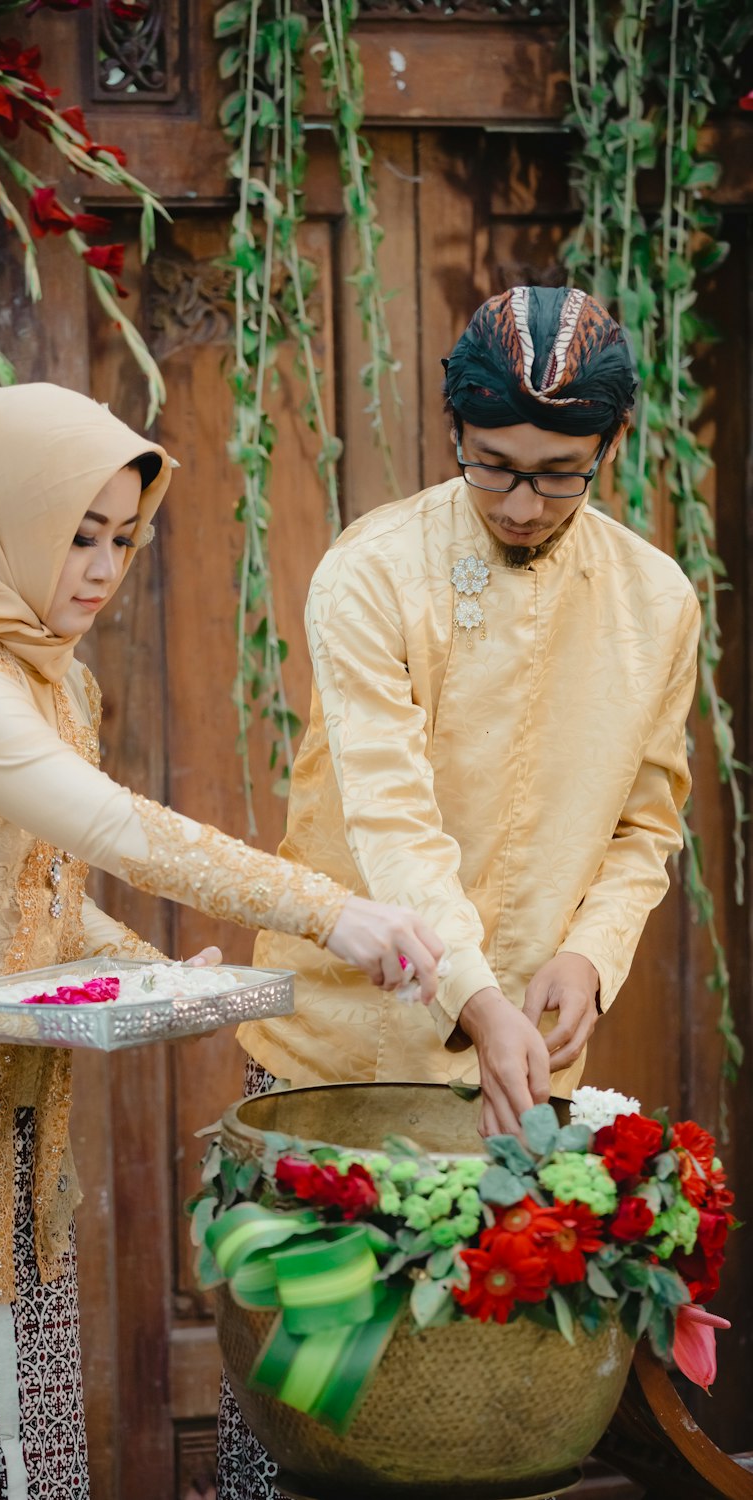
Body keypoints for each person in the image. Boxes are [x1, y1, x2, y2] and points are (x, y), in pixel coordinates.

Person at [0, 386, 444, 1500]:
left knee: (35, 1458)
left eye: (122, 537)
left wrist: (155, 971)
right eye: (75, 534)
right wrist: (332, 911)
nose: (101, 566)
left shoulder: (53, 680)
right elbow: (114, 828)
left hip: (13, 1134)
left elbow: (45, 887)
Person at [218, 285, 700, 1499]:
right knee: (313, 1413)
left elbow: (648, 821)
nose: (525, 505)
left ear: (609, 451)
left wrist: (589, 955)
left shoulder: (657, 602)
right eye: (494, 471)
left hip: (522, 1066)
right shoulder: (372, 571)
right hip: (341, 1055)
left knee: (484, 1414)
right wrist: (475, 996)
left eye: (558, 474)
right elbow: (393, 824)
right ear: (451, 434)